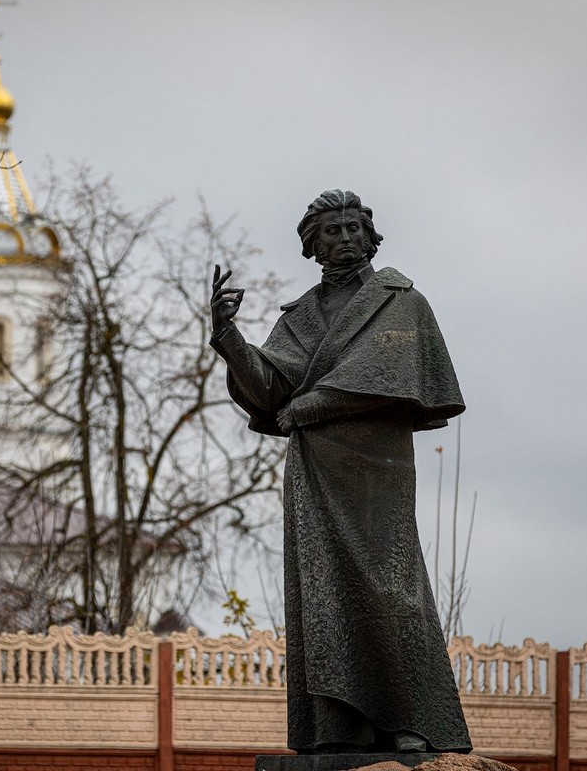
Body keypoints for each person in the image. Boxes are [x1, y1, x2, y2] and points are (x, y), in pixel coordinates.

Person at [209, 190, 471, 755]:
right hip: (315, 468)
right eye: (332, 230)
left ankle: (416, 720)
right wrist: (229, 340)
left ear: (371, 236)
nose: (346, 237)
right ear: (312, 244)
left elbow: (385, 374)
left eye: (354, 227)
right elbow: (272, 389)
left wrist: (315, 404)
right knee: (325, 595)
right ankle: (338, 727)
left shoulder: (400, 301)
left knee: (390, 588)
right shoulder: (301, 316)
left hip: (376, 464)